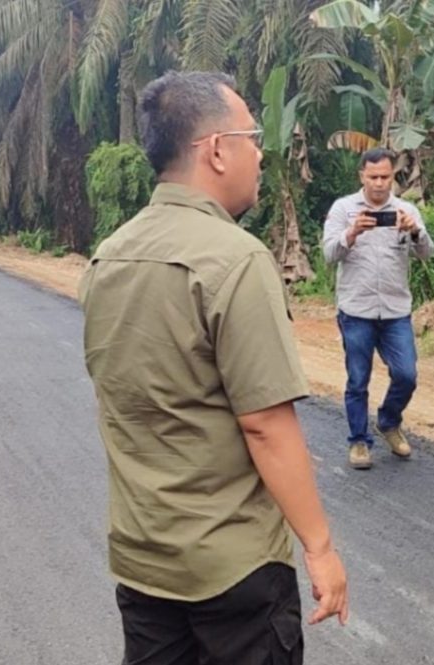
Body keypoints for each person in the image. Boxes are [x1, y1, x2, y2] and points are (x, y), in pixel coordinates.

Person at [78, 70, 349, 665]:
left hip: (144, 560)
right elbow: (265, 425)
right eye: (253, 138)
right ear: (218, 150)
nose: (261, 154)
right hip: (233, 569)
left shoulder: (108, 257)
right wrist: (320, 547)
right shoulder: (236, 259)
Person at [322, 149, 434, 470]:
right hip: (356, 310)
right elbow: (329, 254)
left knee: (406, 375)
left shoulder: (405, 210)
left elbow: (427, 253)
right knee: (358, 379)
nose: (379, 183)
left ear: (393, 176)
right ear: (362, 176)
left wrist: (415, 231)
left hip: (395, 310)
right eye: (373, 177)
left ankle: (388, 421)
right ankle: (359, 441)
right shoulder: (343, 209)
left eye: (385, 176)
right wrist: (352, 232)